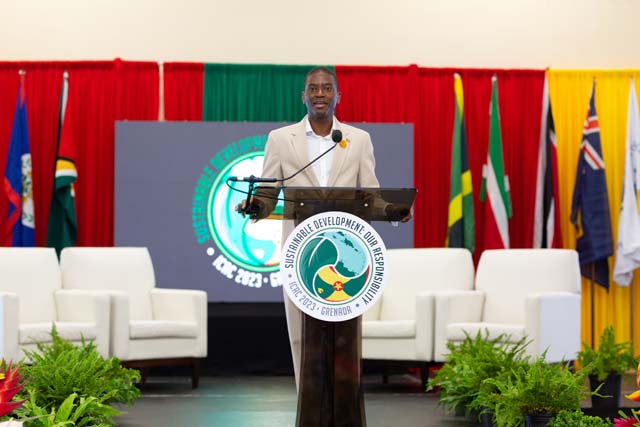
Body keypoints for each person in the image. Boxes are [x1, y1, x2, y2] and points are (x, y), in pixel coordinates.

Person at [239, 66, 411, 389]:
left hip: (347, 253)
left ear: (338, 96)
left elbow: (369, 194)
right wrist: (255, 206)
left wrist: (392, 211)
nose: (320, 94)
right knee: (301, 334)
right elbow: (268, 190)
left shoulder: (358, 140)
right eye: (314, 89)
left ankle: (344, 401)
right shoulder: (280, 139)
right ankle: (307, 402)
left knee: (344, 336)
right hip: (300, 252)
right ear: (303, 96)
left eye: (327, 88)